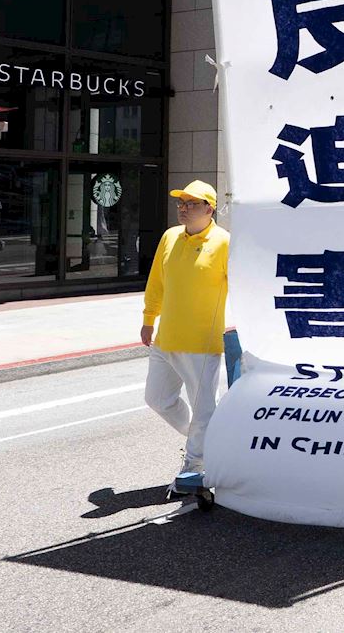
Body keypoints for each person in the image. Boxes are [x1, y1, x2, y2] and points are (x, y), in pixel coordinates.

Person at [141, 180, 230, 484]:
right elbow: (157, 281)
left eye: (192, 203)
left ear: (209, 208)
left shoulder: (225, 243)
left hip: (201, 343)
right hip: (165, 338)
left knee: (204, 407)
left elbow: (242, 287)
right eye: (181, 203)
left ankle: (195, 465)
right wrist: (149, 318)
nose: (184, 208)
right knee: (157, 399)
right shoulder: (170, 237)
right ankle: (205, 439)